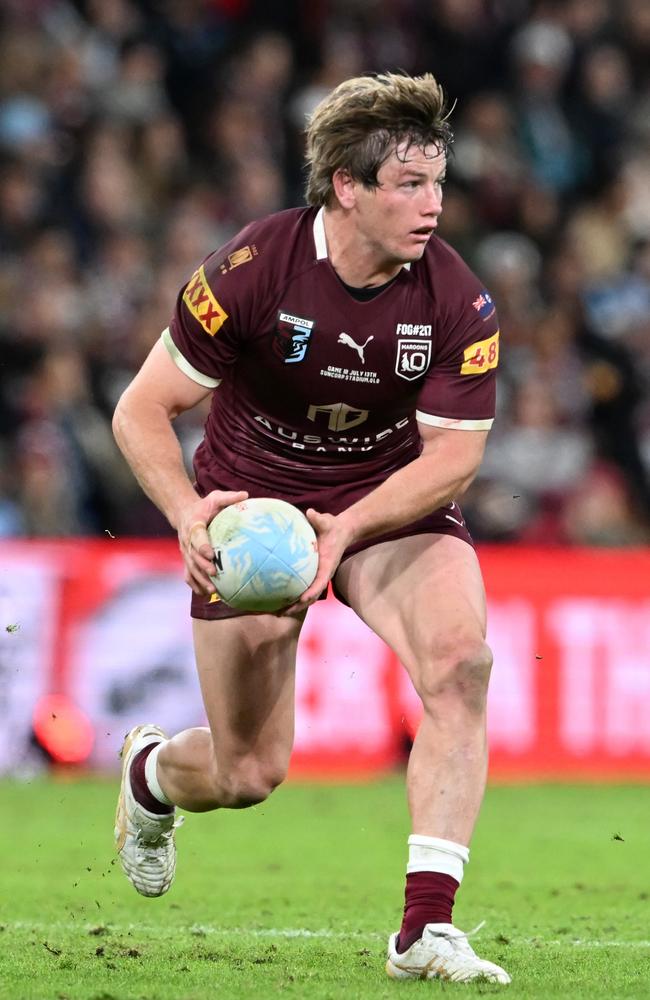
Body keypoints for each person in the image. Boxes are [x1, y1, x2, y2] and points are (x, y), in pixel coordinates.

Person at [112, 71, 510, 985]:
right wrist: (186, 513)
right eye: (409, 185)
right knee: (249, 773)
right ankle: (150, 779)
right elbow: (142, 409)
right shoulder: (252, 271)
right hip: (252, 510)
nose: (433, 206)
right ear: (347, 186)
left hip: (382, 500)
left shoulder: (458, 299)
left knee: (463, 665)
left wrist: (348, 528)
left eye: (439, 183)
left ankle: (425, 928)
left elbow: (453, 458)